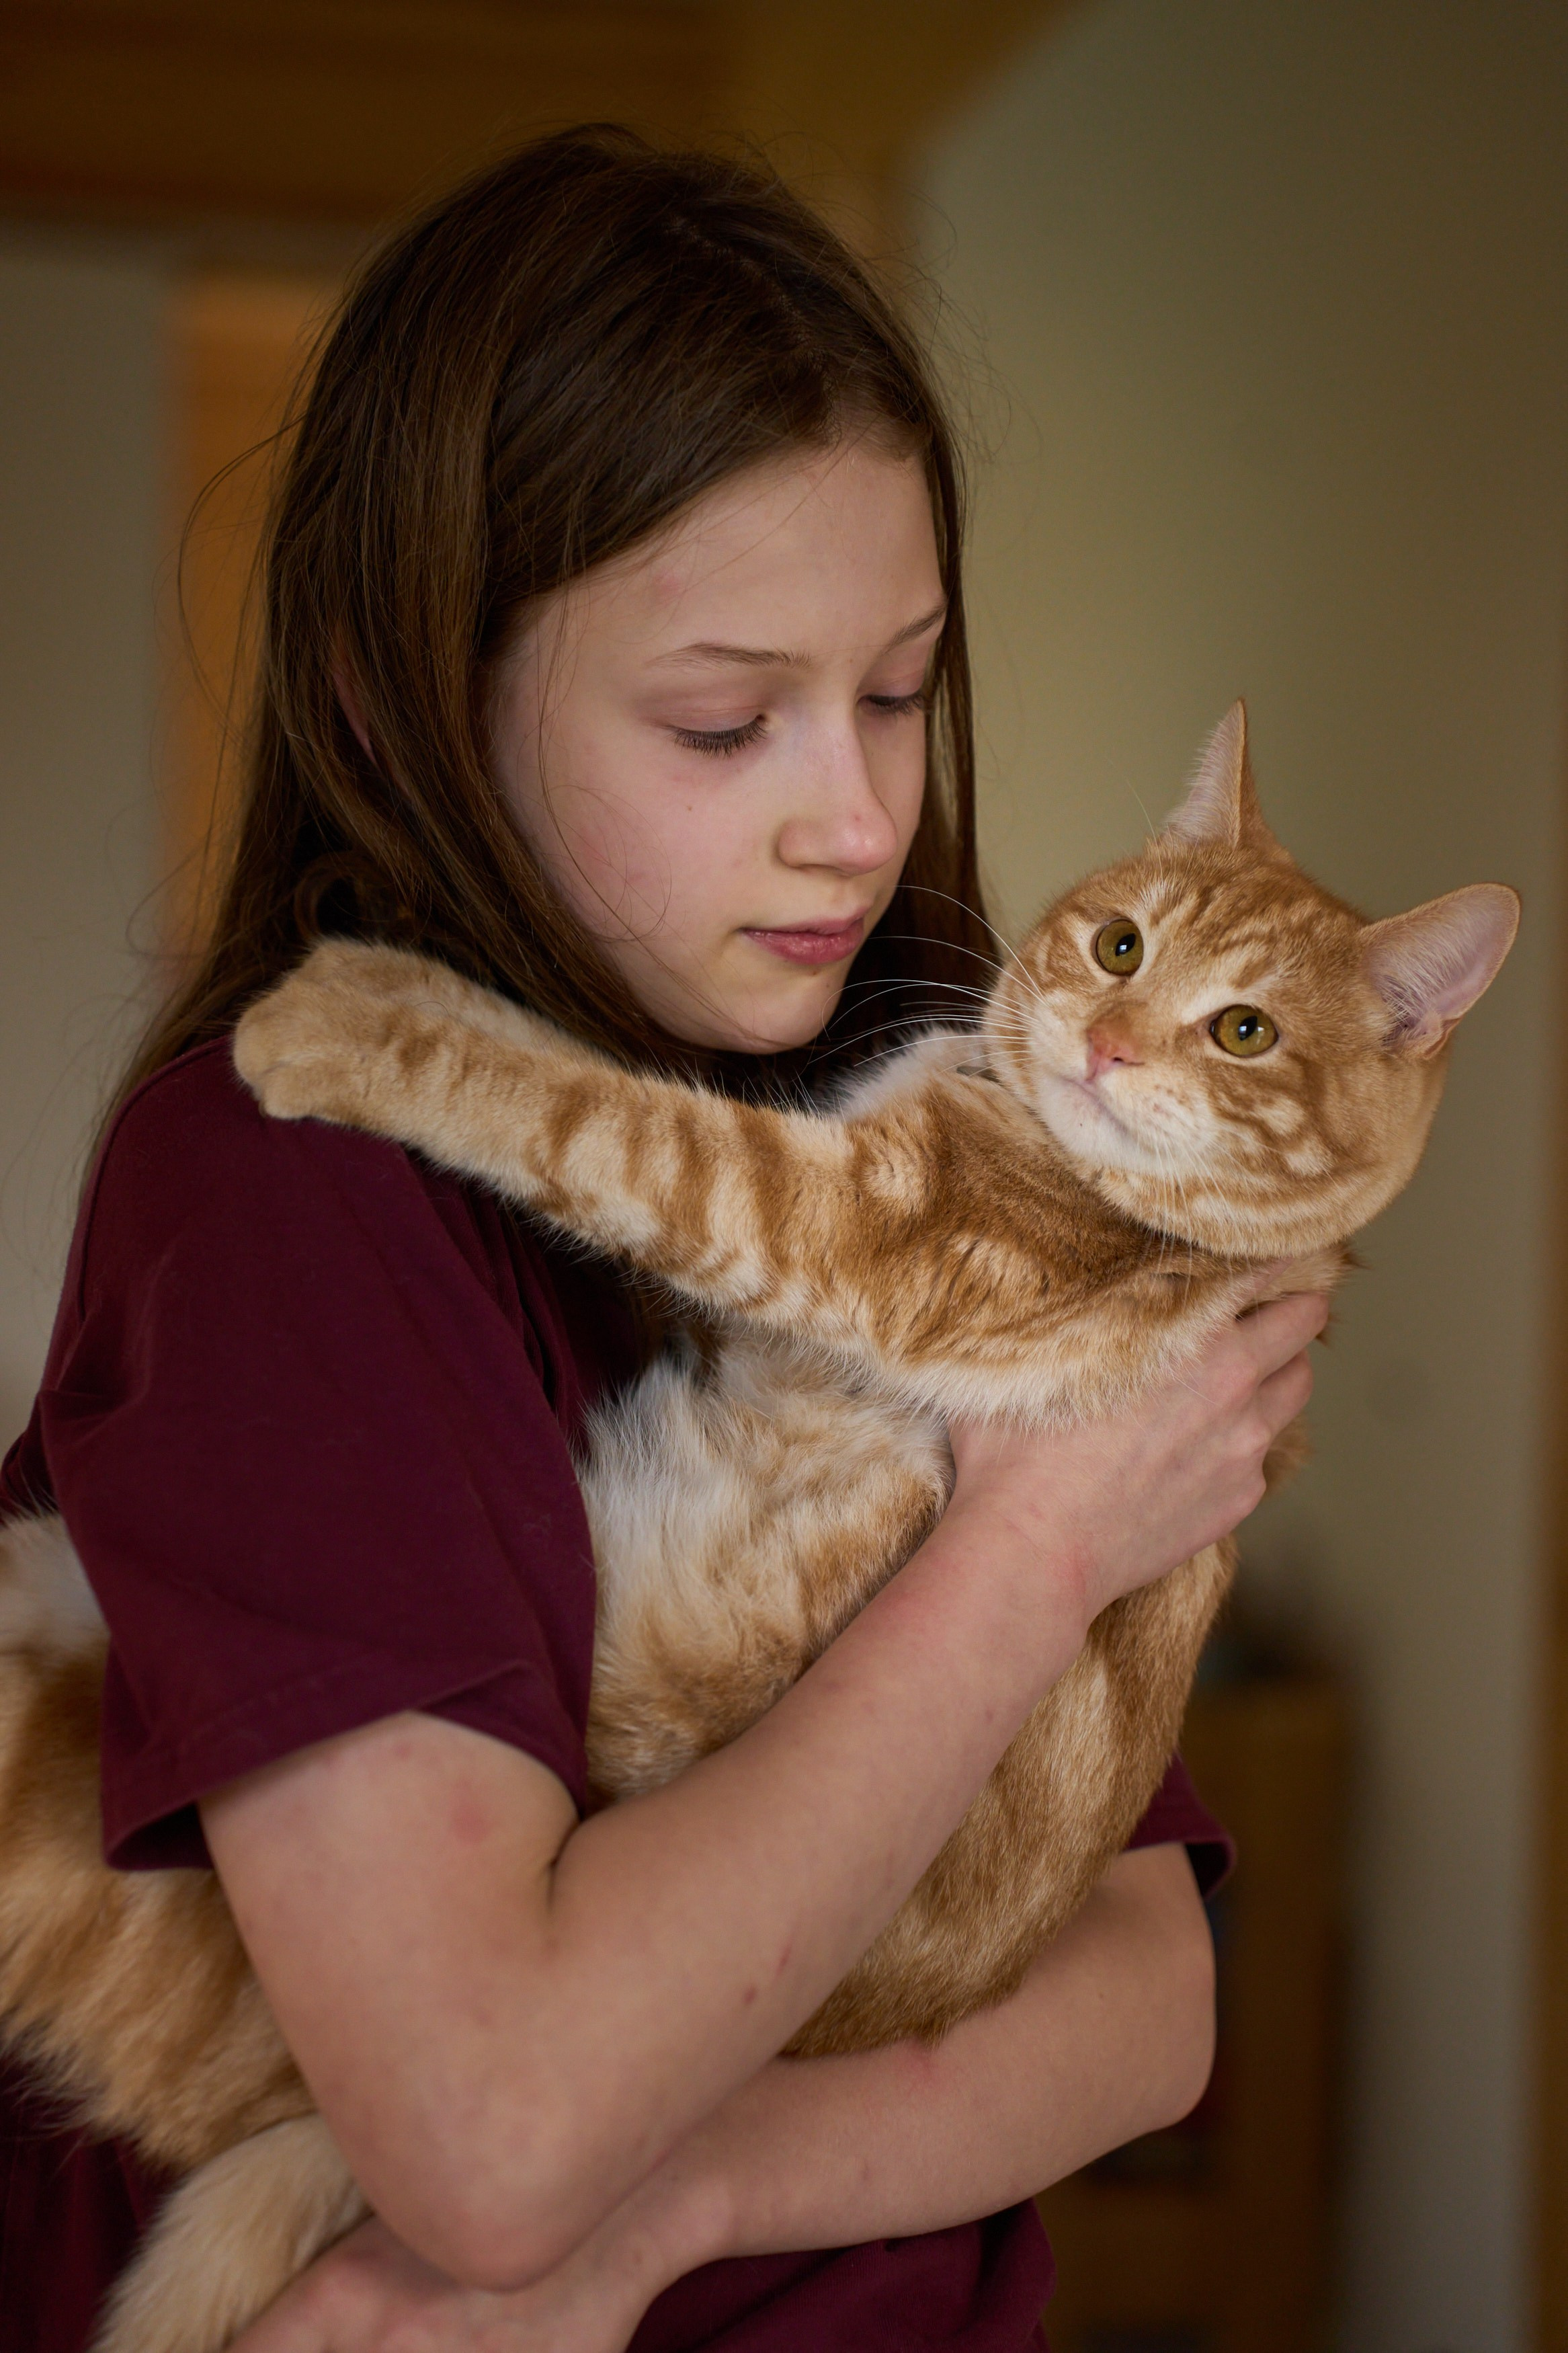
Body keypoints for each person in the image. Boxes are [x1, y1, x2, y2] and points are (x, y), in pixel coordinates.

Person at [0, 130, 1324, 2353]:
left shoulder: (905, 1092)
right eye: (725, 718)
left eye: (900, 688)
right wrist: (1032, 1551)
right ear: (391, 701)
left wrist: (672, 2199)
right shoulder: (283, 1196)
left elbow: (1152, 1991)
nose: (858, 815)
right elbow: (495, 2126)